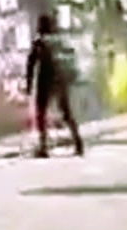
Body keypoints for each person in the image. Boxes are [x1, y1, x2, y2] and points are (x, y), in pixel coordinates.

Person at [25, 14, 84, 158]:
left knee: (41, 113)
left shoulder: (39, 42)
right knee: (66, 112)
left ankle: (43, 147)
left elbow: (31, 64)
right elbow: (72, 57)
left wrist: (29, 84)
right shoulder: (61, 41)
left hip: (46, 78)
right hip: (62, 79)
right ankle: (78, 142)